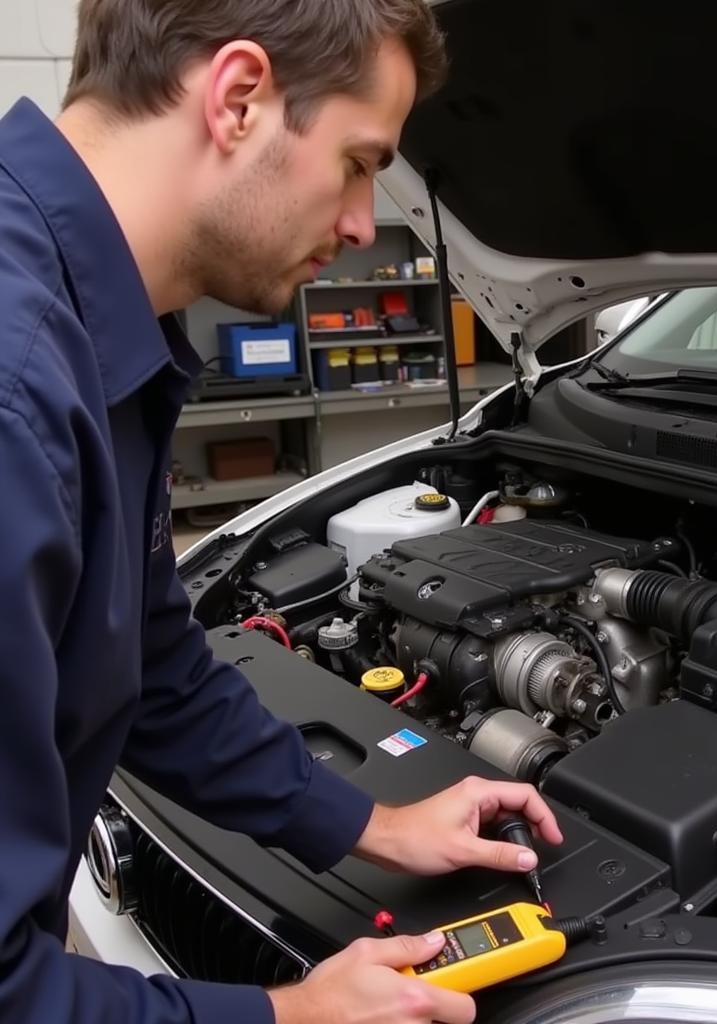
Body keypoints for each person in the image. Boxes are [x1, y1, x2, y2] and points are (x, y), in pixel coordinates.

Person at [0, 2, 563, 1023]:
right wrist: (287, 1016)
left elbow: (149, 668)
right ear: (240, 98)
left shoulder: (87, 320)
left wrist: (372, 824)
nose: (359, 223)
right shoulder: (17, 390)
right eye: (358, 162)